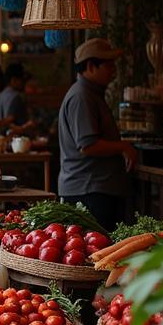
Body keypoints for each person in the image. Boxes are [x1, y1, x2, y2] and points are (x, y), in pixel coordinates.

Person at [58, 38, 136, 232]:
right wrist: (124, 146)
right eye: (108, 65)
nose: (113, 71)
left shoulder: (90, 93)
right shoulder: (81, 96)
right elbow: (88, 145)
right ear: (91, 66)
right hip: (89, 191)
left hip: (96, 189)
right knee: (96, 257)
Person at [0, 63, 31, 128]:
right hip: (16, 134)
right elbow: (10, 119)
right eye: (22, 80)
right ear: (13, 80)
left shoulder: (1, 95)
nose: (23, 83)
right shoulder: (16, 97)